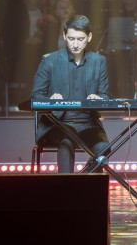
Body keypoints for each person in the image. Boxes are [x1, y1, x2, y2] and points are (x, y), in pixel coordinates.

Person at [30, 14, 110, 173]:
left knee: (104, 147)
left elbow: (105, 96)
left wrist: (98, 98)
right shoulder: (49, 60)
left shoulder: (99, 61)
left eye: (80, 39)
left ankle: (80, 181)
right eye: (71, 38)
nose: (75, 44)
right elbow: (35, 97)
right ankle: (68, 185)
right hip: (58, 124)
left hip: (88, 124)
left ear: (89, 37)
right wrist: (50, 100)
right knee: (66, 143)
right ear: (64, 36)